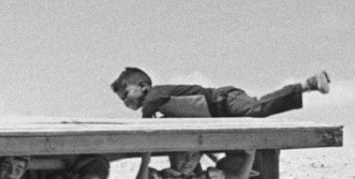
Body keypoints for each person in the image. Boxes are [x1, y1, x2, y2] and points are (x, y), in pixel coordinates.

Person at [110, 66, 331, 119]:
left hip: (224, 100)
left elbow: (152, 102)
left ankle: (308, 84)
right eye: (122, 100)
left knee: (258, 108)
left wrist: (146, 122)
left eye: (126, 94)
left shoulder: (155, 95)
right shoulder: (160, 106)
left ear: (143, 86)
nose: (125, 101)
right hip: (221, 112)